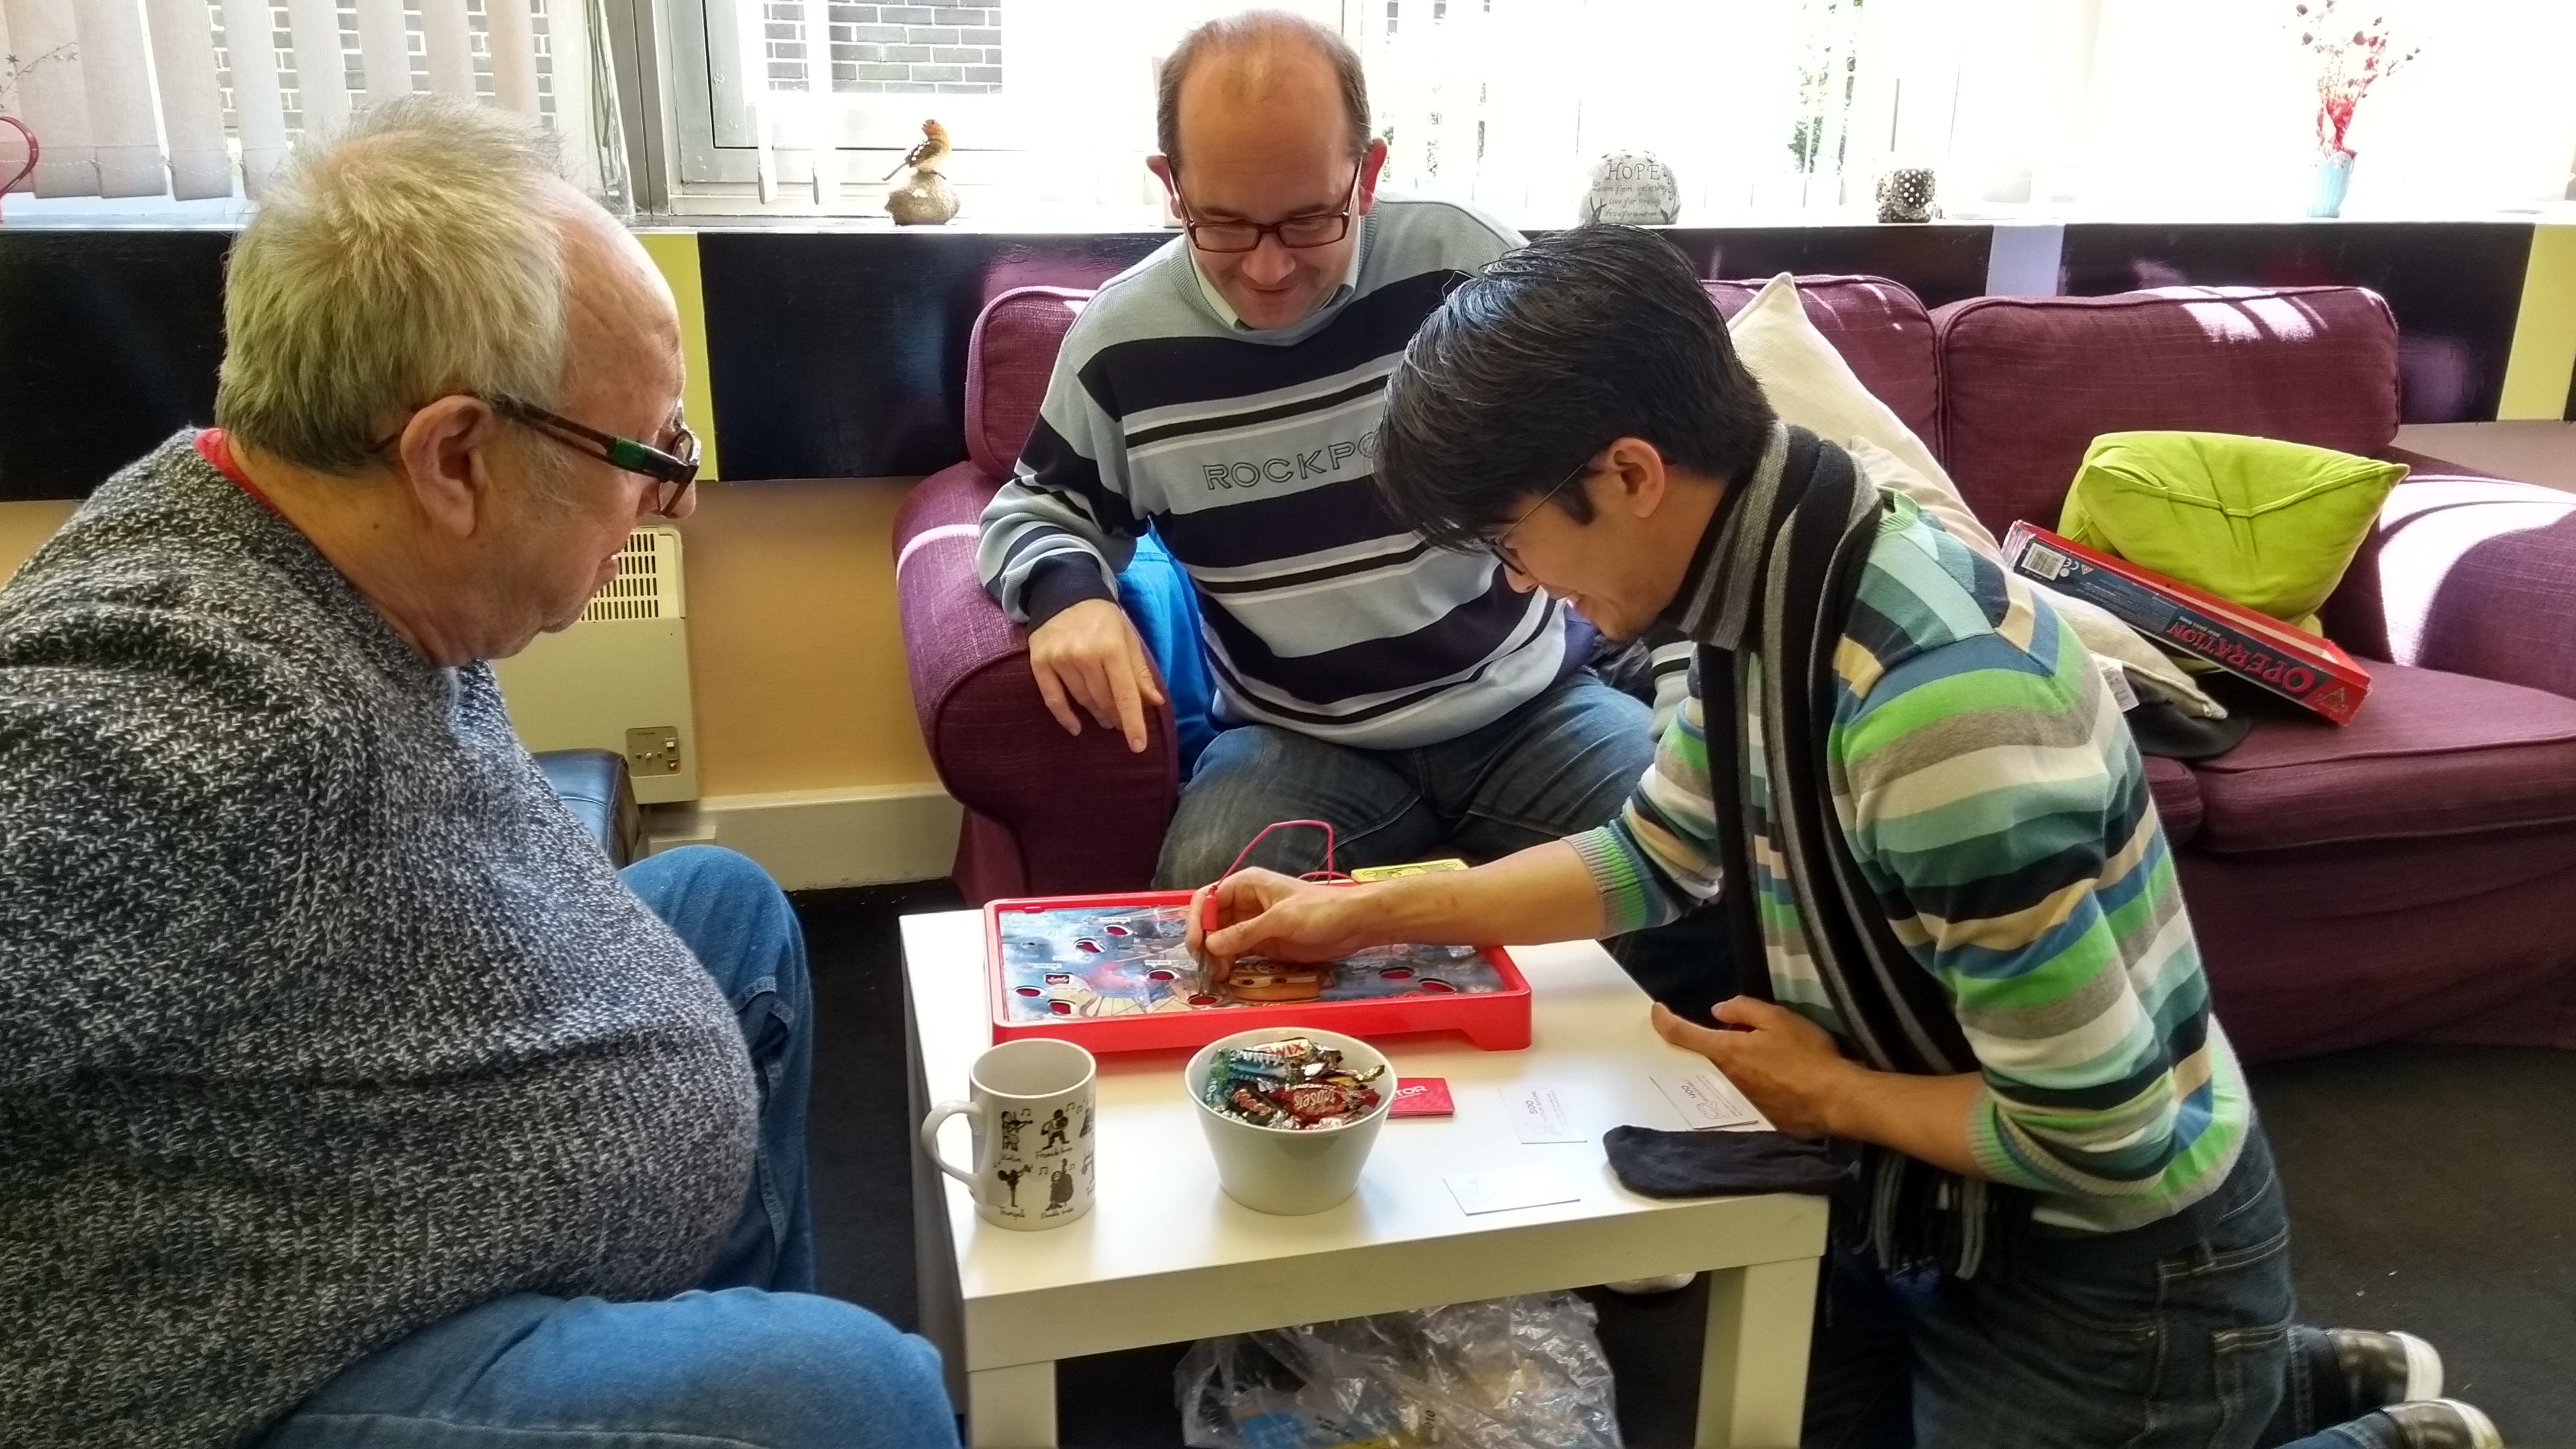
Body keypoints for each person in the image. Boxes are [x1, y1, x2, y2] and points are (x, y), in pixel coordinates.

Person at [1188, 225, 2502, 1449]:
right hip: (1945, 1186)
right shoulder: (1768, 579)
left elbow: (2099, 1136)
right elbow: (1652, 858)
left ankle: (2335, 1410)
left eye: (1509, 539)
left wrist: (1827, 1095)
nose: (1523, 585)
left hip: (2106, 1252)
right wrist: (1356, 913)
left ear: (1629, 475)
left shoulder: (1930, 713)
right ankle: (2274, 1376)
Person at [0, 98, 955, 1449]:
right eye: (648, 458)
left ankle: (707, 1360)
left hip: (386, 1128)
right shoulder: (168, 714)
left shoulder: (313, 530)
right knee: (857, 1394)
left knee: (728, 908)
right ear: (453, 456)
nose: (673, 501)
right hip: (287, 1360)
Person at [975, 10, 1665, 910]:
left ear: (1369, 173)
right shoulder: (1119, 343)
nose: (1268, 270)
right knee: (1214, 904)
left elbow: (1625, 461)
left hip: (1528, 710)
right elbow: (1036, 511)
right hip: (1297, 742)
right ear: (1170, 187)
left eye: (1307, 221)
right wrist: (1071, 601)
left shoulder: (1467, 267)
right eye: (1221, 223)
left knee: (1699, 852)